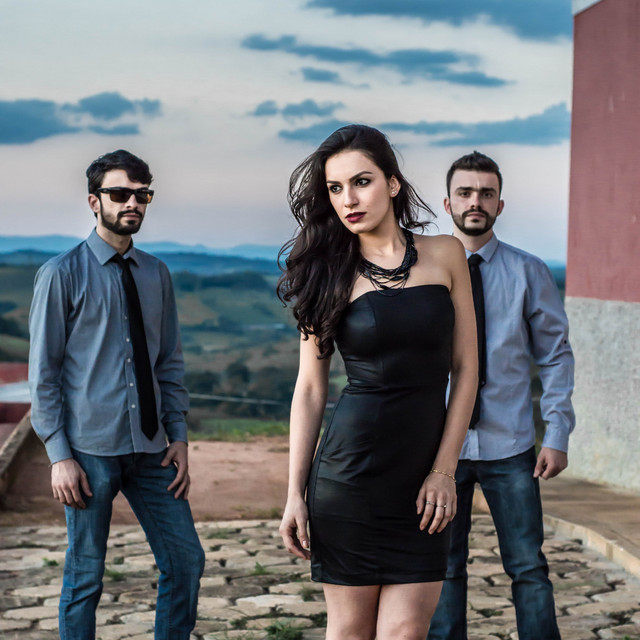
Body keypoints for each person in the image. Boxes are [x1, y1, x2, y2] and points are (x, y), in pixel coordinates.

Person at [277, 124, 478, 640]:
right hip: (348, 481)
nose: (348, 199)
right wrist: (295, 493)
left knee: (407, 631)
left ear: (392, 182)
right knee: (349, 631)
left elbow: (467, 370)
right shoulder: (325, 273)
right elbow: (310, 389)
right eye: (335, 188)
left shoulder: (446, 254)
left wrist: (444, 470)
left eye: (361, 182)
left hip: (423, 482)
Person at [28, 149, 205, 640]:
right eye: (121, 193)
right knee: (85, 576)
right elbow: (44, 374)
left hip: (152, 450)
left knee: (186, 560)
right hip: (89, 453)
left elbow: (168, 362)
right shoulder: (61, 274)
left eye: (142, 195)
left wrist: (178, 435)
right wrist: (59, 456)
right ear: (94, 201)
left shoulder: (156, 273)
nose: (133, 203)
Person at [427, 151, 576, 640]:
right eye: (465, 193)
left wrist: (557, 433)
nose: (476, 201)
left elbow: (555, 355)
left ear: (500, 204)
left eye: (486, 193)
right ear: (448, 203)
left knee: (528, 566)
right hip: (439, 450)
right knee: (443, 568)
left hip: (509, 446)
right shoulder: (425, 271)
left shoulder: (529, 271)